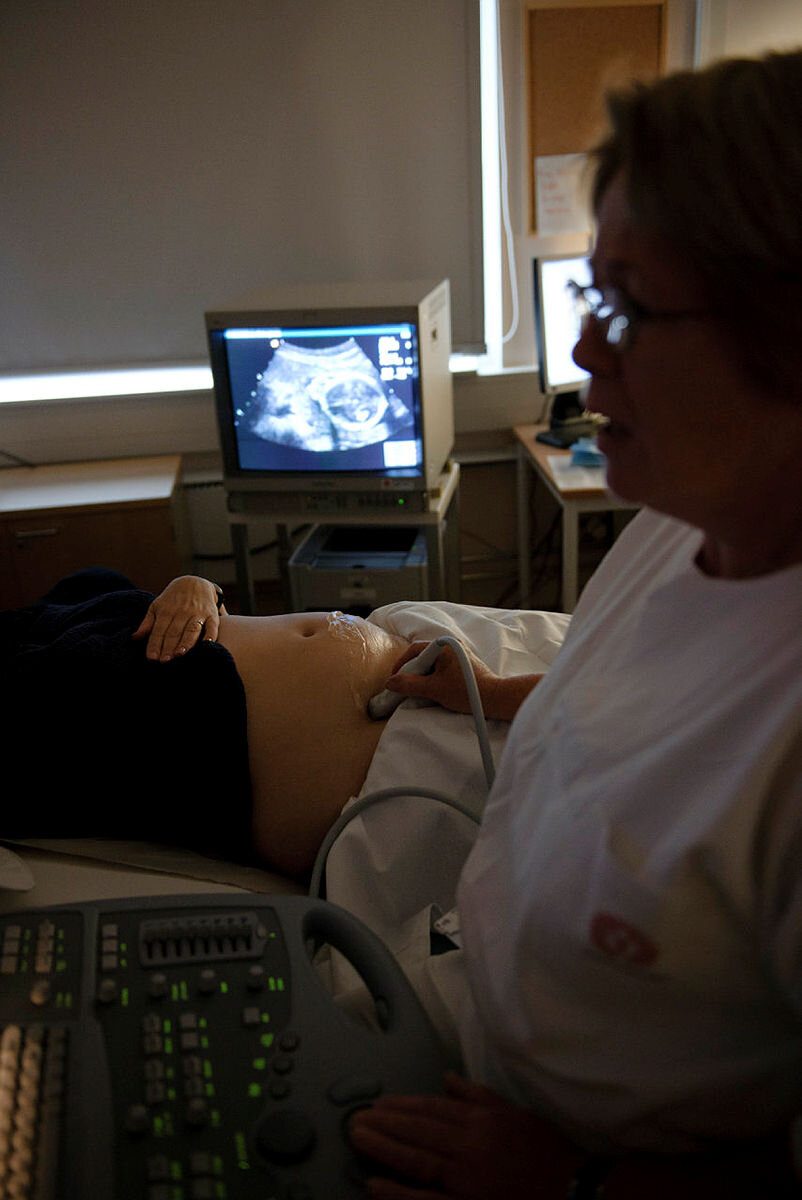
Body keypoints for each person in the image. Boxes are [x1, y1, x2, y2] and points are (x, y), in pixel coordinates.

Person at [345, 50, 802, 1197]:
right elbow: (643, 707)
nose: (588, 356)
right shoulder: (683, 511)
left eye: (630, 307)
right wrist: (494, 695)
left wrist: (565, 1183)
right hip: (487, 1044)